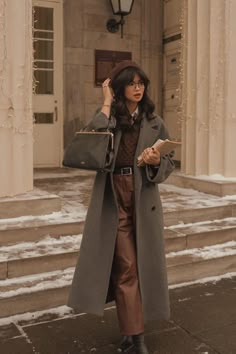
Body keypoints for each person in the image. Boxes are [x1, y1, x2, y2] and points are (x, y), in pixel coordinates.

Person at [68, 61, 175, 353]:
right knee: (127, 266)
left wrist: (157, 162)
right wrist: (105, 102)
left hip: (142, 197)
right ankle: (136, 337)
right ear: (119, 88)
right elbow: (88, 149)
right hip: (113, 196)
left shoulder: (154, 121)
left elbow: (168, 164)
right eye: (131, 83)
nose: (138, 88)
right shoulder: (109, 118)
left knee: (135, 266)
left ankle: (132, 334)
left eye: (141, 83)